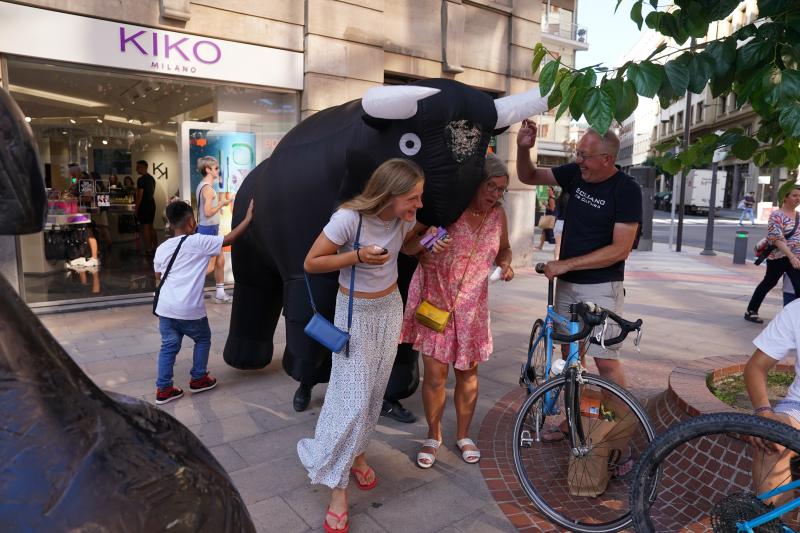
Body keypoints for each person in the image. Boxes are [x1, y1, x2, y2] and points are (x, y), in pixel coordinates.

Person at [298, 159, 441, 533]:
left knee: (374, 394)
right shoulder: (349, 219)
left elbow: (406, 245)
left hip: (390, 308)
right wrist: (357, 256)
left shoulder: (402, 218)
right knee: (351, 398)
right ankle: (337, 488)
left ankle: (357, 456)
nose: (418, 205)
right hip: (356, 314)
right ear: (389, 195)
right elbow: (312, 262)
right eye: (413, 198)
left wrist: (428, 242)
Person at [401, 153, 514, 469]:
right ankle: (432, 435)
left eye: (500, 189)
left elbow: (504, 249)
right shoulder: (450, 210)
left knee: (469, 375)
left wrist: (505, 264)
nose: (494, 195)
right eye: (490, 186)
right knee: (435, 376)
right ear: (476, 184)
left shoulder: (497, 217)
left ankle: (463, 435)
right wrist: (428, 242)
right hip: (437, 303)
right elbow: (407, 246)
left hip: (472, 312)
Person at [516, 120, 642, 393]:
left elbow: (620, 250)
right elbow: (529, 176)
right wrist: (523, 149)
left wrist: (566, 263)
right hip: (568, 285)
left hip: (601, 287)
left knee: (605, 360)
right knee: (571, 356)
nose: (579, 160)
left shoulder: (626, 190)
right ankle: (575, 421)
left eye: (585, 156)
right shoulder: (575, 173)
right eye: (578, 153)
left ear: (607, 159)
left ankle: (621, 420)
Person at [152, 198, 254, 405]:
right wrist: (249, 218)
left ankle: (163, 390)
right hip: (189, 309)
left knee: (168, 347)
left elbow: (158, 276)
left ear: (171, 224)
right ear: (191, 221)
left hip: (165, 308)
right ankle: (198, 379)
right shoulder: (198, 241)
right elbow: (229, 239)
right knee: (203, 339)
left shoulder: (162, 248)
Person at [744, 301, 800, 515]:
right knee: (771, 440)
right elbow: (756, 366)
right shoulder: (796, 310)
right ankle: (773, 525)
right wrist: (763, 412)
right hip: (798, 406)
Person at [744, 186, 800, 323]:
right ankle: (751, 310)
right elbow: (776, 239)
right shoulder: (776, 215)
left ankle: (794, 318)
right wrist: (790, 256)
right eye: (794, 195)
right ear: (785, 198)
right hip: (779, 257)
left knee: (799, 286)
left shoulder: (799, 216)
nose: (798, 198)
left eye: (799, 196)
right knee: (769, 282)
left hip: (796, 258)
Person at [195, 156, 234, 304]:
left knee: (220, 261)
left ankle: (220, 292)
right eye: (216, 168)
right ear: (208, 170)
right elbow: (208, 212)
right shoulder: (208, 190)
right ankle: (189, 289)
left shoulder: (202, 186)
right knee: (209, 265)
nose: (218, 171)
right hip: (210, 229)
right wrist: (222, 204)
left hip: (210, 229)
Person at [135, 160, 157, 255]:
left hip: (145, 206)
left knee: (146, 227)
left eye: (138, 167)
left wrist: (136, 208)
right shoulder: (151, 178)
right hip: (152, 204)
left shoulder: (141, 180)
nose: (136, 169)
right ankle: (155, 246)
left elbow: (140, 196)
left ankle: (148, 249)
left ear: (143, 167)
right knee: (151, 226)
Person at [553, 190, 569, 260]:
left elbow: (556, 213)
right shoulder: (572, 201)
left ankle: (556, 259)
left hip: (559, 223)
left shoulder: (559, 200)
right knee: (567, 246)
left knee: (558, 245)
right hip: (568, 224)